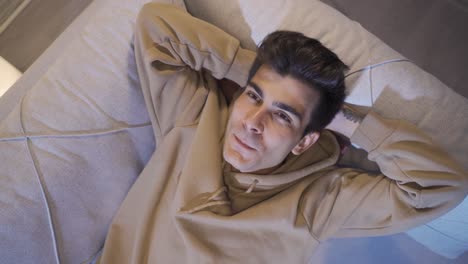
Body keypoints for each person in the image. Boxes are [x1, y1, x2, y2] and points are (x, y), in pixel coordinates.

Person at [97, 3, 467, 263]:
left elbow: (440, 188)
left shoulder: (317, 202)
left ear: (306, 139)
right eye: (253, 97)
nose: (253, 122)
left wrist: (345, 122)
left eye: (282, 116)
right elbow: (156, 23)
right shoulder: (195, 117)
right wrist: (258, 72)